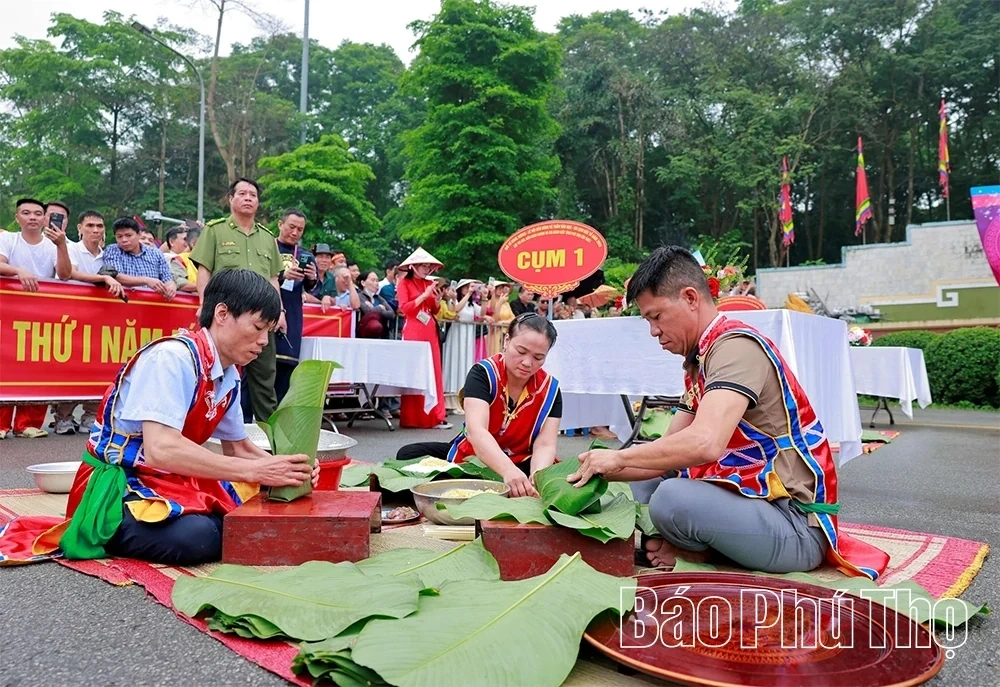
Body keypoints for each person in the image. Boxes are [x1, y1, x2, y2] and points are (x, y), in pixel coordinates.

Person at [568, 246, 889, 579]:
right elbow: (669, 451)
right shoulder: (700, 360)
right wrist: (598, 469)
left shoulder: (735, 346)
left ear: (691, 298)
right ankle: (698, 545)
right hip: (753, 508)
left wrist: (619, 459)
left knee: (671, 500)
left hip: (795, 525)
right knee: (640, 483)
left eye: (657, 316)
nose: (653, 331)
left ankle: (697, 547)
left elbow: (705, 443)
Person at [0, 270, 319, 566]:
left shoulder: (229, 374)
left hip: (169, 478)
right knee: (198, 538)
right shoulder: (173, 358)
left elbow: (239, 448)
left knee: (241, 510)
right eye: (258, 328)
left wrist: (289, 468)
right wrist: (257, 469)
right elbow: (161, 449)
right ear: (222, 314)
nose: (264, 341)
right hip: (121, 483)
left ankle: (203, 522)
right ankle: (110, 528)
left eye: (269, 331)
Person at [397, 313, 562, 497]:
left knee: (562, 477)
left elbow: (545, 444)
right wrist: (507, 470)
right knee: (408, 454)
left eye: (538, 357)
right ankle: (500, 486)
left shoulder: (550, 390)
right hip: (475, 456)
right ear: (507, 341)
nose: (527, 363)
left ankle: (504, 487)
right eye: (521, 351)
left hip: (522, 460)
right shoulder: (483, 373)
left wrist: (536, 476)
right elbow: (477, 432)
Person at [190, 177, 285, 424]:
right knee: (214, 374)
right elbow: (204, 272)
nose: (248, 198)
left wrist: (279, 312)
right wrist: (204, 305)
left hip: (261, 320)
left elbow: (274, 278)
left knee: (265, 380)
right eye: (242, 194)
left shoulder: (267, 238)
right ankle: (206, 428)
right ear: (231, 199)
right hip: (226, 318)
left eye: (253, 195)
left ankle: (269, 441)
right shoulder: (215, 230)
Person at [52, 210, 124, 436]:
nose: (95, 230)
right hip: (69, 317)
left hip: (101, 320)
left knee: (98, 366)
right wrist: (102, 278)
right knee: (69, 367)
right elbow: (67, 274)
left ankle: (91, 414)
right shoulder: (69, 248)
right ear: (79, 228)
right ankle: (63, 417)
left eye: (100, 226)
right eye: (90, 225)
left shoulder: (108, 255)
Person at [0, 198, 61, 439]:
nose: (32, 217)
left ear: (45, 218)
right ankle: (2, 424)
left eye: (38, 213)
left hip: (42, 314)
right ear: (17, 218)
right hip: (8, 312)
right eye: (26, 213)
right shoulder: (7, 239)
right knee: (5, 364)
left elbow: (65, 274)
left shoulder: (53, 244)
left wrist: (63, 246)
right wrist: (18, 270)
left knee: (37, 366)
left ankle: (29, 423)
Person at [396, 247, 450, 430]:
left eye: (428, 266)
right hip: (414, 330)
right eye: (423, 266)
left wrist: (435, 299)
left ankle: (435, 416)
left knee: (432, 371)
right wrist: (424, 296)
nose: (427, 269)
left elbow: (433, 310)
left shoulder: (429, 283)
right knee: (416, 372)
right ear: (413, 266)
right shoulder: (404, 284)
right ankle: (414, 417)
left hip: (429, 331)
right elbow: (405, 309)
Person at [274, 208, 318, 404]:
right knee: (260, 370)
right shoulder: (267, 248)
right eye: (291, 227)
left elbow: (313, 288)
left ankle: (280, 423)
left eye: (300, 229)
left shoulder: (305, 254)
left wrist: (312, 279)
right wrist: (283, 276)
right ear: (280, 224)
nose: (295, 233)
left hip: (293, 315)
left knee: (287, 367)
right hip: (267, 312)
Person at [103, 217, 177, 301]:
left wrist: (171, 285)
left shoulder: (156, 253)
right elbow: (115, 276)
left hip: (151, 305)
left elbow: (167, 278)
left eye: (128, 235)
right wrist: (146, 280)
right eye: (119, 236)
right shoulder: (112, 250)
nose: (124, 240)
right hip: (123, 303)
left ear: (139, 234)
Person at [442, 279, 481, 412]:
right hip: (456, 334)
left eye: (470, 287)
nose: (468, 289)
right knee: (455, 362)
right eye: (465, 287)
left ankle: (463, 397)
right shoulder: (454, 300)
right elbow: (455, 311)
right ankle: (450, 397)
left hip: (467, 336)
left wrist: (486, 297)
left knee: (465, 364)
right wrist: (467, 294)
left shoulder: (472, 305)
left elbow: (482, 314)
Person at [357, 270, 395, 338]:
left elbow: (391, 314)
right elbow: (367, 312)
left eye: (377, 281)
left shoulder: (379, 298)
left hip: (382, 333)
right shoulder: (360, 296)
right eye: (373, 280)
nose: (376, 283)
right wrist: (380, 307)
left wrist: (375, 309)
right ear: (363, 283)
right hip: (364, 333)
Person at [162, 226, 198, 293]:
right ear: (171, 241)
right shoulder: (166, 257)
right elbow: (181, 283)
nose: (187, 242)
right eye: (185, 239)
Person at [486, 280, 515, 354]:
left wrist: (503, 322)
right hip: (495, 333)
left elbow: (513, 318)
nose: (500, 290)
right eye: (497, 288)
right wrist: (499, 304)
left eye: (502, 288)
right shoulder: (489, 302)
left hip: (505, 331)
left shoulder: (506, 304)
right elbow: (493, 319)